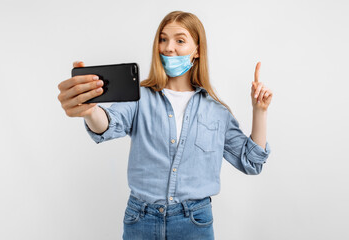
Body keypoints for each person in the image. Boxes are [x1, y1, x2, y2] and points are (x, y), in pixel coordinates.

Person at [57, 10, 273, 240]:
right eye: (163, 39)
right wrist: (90, 110)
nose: (169, 47)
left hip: (194, 223)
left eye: (180, 40)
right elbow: (108, 124)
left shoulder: (216, 112)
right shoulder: (138, 96)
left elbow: (251, 162)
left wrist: (259, 111)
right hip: (140, 219)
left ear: (197, 50)